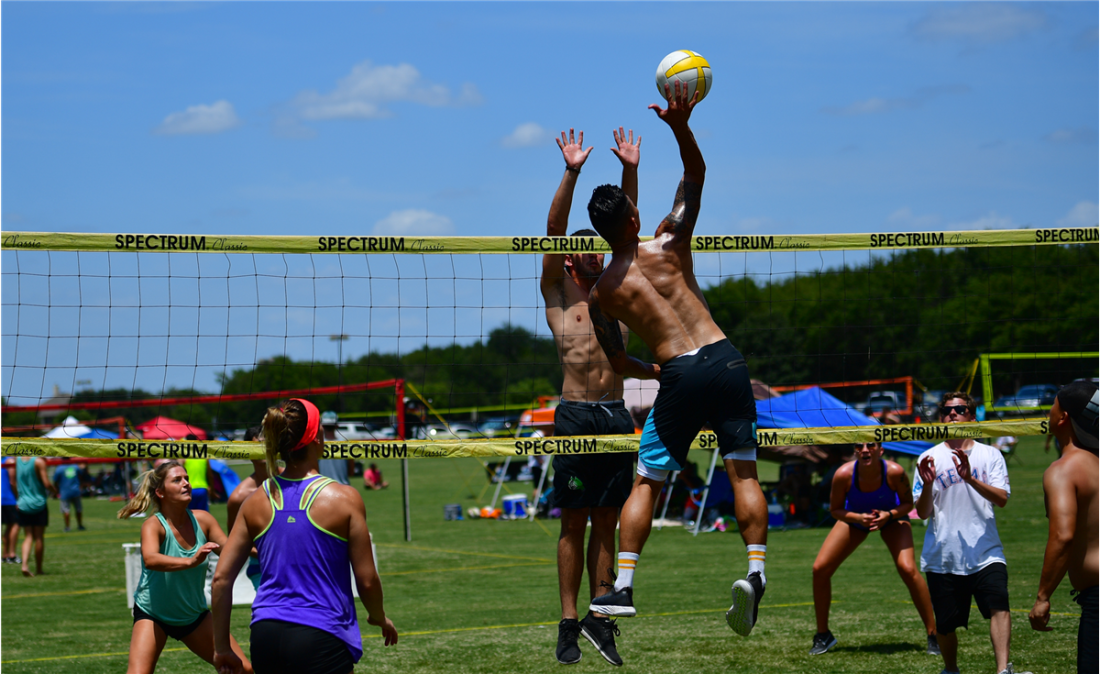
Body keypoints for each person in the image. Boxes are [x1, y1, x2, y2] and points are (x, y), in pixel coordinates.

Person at [585, 81, 769, 636]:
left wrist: (652, 371)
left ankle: (623, 588)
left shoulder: (603, 295)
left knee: (647, 483)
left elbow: (617, 365)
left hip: (680, 374)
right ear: (637, 218)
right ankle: (756, 573)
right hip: (726, 358)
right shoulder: (670, 242)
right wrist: (680, 126)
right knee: (743, 471)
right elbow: (695, 177)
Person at [540, 126, 656, 666]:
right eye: (581, 250)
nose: (591, 252)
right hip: (574, 414)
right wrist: (572, 170)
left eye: (596, 246)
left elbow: (626, 224)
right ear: (569, 261)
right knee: (573, 522)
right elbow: (554, 227)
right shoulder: (560, 295)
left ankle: (601, 618)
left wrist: (630, 169)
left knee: (607, 521)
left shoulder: (618, 282)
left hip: (612, 415)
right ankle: (567, 622)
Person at [211, 399, 397, 674]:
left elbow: (220, 579)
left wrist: (222, 648)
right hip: (321, 633)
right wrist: (379, 618)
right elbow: (367, 580)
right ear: (318, 438)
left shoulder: (254, 500)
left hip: (265, 633)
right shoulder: (344, 498)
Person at [914, 392, 1030, 674]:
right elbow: (923, 512)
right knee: (945, 624)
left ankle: (1003, 670)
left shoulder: (990, 454)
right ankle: (951, 668)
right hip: (944, 555)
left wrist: (969, 478)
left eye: (960, 409)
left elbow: (1001, 498)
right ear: (941, 417)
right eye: (947, 410)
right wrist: (928, 486)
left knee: (999, 605)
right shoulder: (928, 457)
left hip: (986, 551)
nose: (953, 415)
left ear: (972, 416)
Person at [116, 460, 252, 674]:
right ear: (160, 492)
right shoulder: (153, 525)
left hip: (193, 615)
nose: (186, 483)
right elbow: (151, 559)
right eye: (177, 480)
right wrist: (190, 561)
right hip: (153, 614)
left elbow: (232, 551)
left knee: (243, 669)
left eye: (187, 478)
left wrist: (267, 550)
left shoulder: (203, 520)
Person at [809, 441, 938, 656]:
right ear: (854, 450)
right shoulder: (843, 474)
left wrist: (889, 515)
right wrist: (858, 518)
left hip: (892, 517)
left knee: (907, 569)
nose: (865, 450)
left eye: (871, 445)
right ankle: (823, 635)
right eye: (860, 445)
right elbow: (835, 510)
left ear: (881, 450)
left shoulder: (895, 472)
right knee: (819, 569)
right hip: (856, 518)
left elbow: (908, 504)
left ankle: (934, 634)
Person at [1029, 381, 1098, 674]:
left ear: (1063, 417)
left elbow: (1062, 536)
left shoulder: (1063, 470)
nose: (1048, 412)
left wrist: (1043, 596)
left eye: (1052, 406)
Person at [226, 426, 270, 590]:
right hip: (262, 565)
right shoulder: (239, 497)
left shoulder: (293, 481)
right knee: (274, 613)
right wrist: (264, 552)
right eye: (257, 446)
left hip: (298, 561)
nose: (264, 450)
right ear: (247, 451)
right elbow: (234, 541)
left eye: (268, 444)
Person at [11, 455, 55, 577]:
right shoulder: (39, 461)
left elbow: (13, 482)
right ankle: (39, 569)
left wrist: (18, 498)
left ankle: (24, 565)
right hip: (38, 503)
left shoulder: (17, 460)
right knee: (39, 537)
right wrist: (55, 491)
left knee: (28, 537)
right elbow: (46, 483)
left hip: (23, 503)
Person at [317, 411, 354, 486]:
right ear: (337, 425)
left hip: (323, 489)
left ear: (322, 426)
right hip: (343, 489)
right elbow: (351, 472)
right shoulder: (346, 444)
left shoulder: (316, 445)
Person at [54, 458, 86, 532]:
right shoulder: (75, 466)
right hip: (75, 490)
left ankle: (67, 527)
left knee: (66, 510)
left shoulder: (59, 468)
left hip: (64, 492)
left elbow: (55, 481)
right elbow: (81, 476)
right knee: (78, 509)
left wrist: (56, 491)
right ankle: (80, 525)